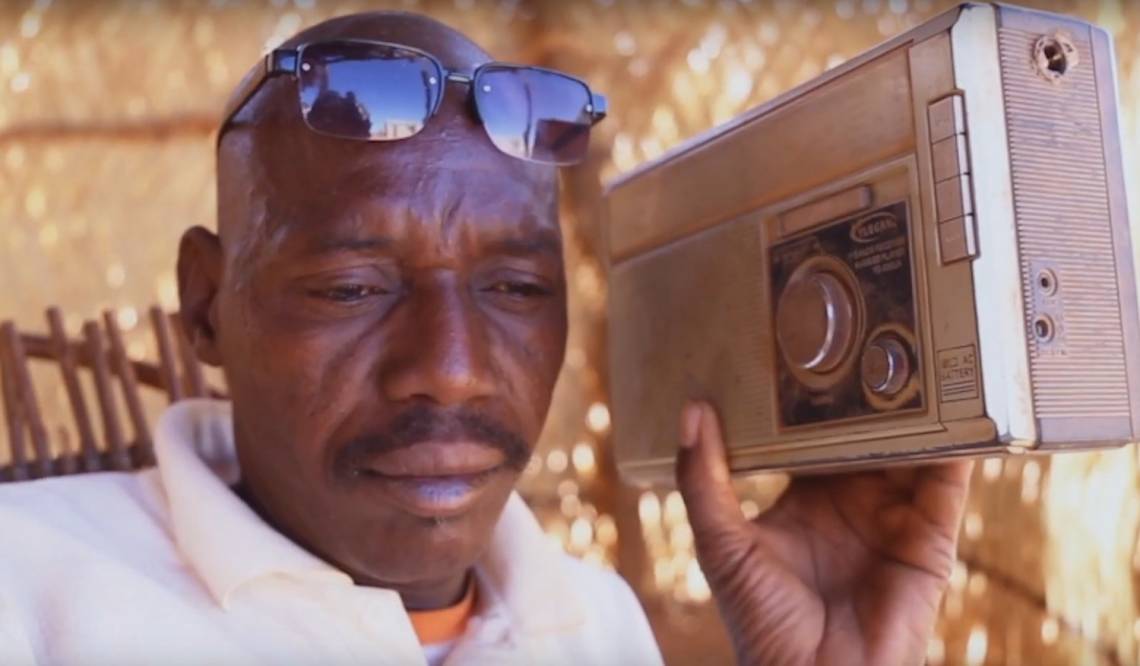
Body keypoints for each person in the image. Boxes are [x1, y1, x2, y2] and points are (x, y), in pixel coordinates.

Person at [0, 11, 972, 665]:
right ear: (206, 303)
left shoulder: (594, 627)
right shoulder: (34, 592)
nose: (454, 370)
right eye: (352, 286)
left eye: (514, 286)